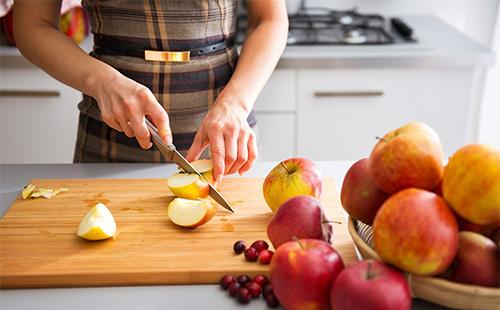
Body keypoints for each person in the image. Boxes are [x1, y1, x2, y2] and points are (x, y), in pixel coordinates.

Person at [13, 0, 288, 183]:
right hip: (108, 147)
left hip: (226, 148)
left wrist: (235, 105)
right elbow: (31, 25)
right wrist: (103, 81)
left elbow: (270, 18)